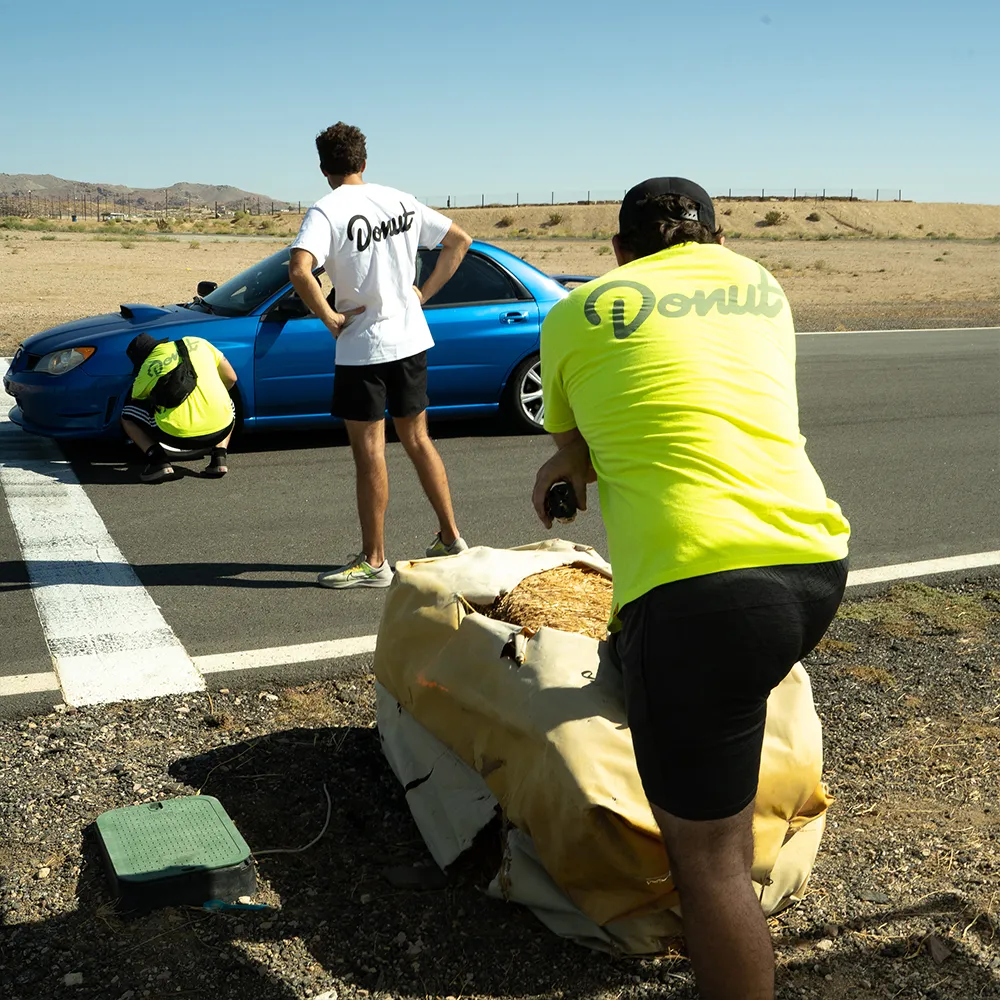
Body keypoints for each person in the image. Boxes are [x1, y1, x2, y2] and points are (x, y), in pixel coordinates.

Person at [531, 178, 851, 1000]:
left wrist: (562, 465)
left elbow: (586, 439)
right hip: (812, 565)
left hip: (698, 592)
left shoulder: (575, 312)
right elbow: (698, 400)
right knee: (692, 693)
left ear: (617, 251)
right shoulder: (759, 285)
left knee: (710, 864)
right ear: (716, 234)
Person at [288, 122, 473, 590]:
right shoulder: (399, 200)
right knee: (418, 439)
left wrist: (330, 318)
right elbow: (460, 241)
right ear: (363, 161)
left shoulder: (326, 210)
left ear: (324, 168)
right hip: (411, 341)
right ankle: (451, 538)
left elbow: (299, 269)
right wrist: (422, 294)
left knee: (370, 451)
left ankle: (374, 561)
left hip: (363, 348)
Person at [121, 332, 238, 482]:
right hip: (220, 430)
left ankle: (158, 461)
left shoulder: (148, 366)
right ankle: (219, 458)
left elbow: (137, 400)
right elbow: (231, 378)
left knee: (128, 414)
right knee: (229, 405)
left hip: (176, 436)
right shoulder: (200, 343)